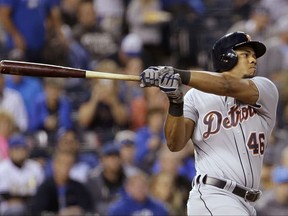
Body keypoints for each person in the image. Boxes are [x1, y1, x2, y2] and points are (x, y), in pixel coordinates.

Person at [139, 31, 279, 215]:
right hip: (213, 195)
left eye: (254, 56)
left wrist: (177, 74)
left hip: (246, 202)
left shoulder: (265, 88)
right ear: (226, 58)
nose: (253, 60)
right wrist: (175, 102)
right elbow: (175, 143)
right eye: (246, 54)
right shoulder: (196, 96)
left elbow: (227, 85)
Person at [28, 148, 93, 216]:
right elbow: (36, 211)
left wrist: (79, 211)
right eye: (62, 163)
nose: (65, 168)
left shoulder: (79, 188)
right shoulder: (45, 188)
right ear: (54, 164)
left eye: (69, 164)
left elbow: (88, 209)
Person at [0, 134, 44, 216]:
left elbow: (41, 192)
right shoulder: (2, 168)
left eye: (22, 148)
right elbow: (4, 195)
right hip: (7, 208)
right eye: (16, 148)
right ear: (10, 151)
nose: (19, 152)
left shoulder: (35, 167)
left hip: (32, 206)